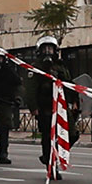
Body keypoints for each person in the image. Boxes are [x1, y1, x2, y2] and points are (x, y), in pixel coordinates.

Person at [30, 35, 76, 167]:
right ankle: (50, 163)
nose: (47, 52)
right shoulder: (36, 67)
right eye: (45, 49)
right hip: (45, 107)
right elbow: (31, 89)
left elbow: (69, 84)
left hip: (62, 106)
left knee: (72, 134)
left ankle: (54, 153)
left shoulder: (61, 66)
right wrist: (33, 107)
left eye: (50, 49)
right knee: (47, 137)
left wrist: (75, 101)